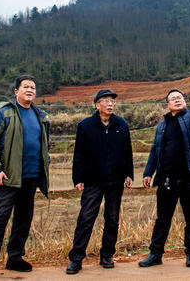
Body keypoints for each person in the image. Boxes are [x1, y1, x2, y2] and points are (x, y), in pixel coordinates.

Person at [0, 75, 51, 281]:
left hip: (31, 177)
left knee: (23, 220)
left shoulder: (40, 116)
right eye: (25, 87)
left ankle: (15, 257)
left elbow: (45, 146)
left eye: (33, 87)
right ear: (16, 91)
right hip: (8, 178)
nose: (30, 90)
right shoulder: (4, 113)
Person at [139, 81, 190, 269]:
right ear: (168, 105)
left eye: (179, 97)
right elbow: (155, 151)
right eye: (173, 99)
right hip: (167, 179)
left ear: (185, 102)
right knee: (162, 219)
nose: (177, 100)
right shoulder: (161, 126)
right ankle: (155, 254)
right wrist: (148, 172)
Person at [65, 89, 134, 275]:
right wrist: (78, 178)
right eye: (105, 101)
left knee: (112, 219)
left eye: (112, 101)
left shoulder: (121, 124)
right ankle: (76, 258)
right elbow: (78, 154)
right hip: (93, 180)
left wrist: (129, 174)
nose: (110, 104)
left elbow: (128, 151)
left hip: (116, 180)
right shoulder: (86, 126)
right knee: (86, 218)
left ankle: (107, 255)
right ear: (97, 105)